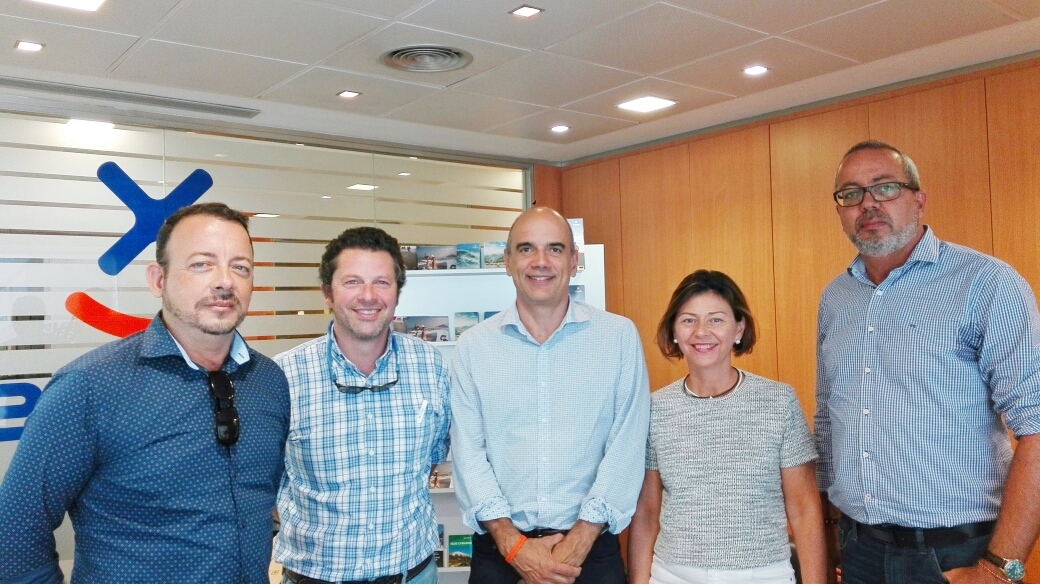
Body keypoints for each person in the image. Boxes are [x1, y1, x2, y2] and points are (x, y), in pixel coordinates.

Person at [0, 202, 290, 583]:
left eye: (241, 267)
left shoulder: (269, 382)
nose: (225, 281)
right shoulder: (90, 387)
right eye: (201, 264)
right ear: (158, 279)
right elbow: (14, 534)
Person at [816, 140, 1040, 584]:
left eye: (885, 187)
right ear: (840, 210)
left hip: (957, 554)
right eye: (851, 193)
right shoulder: (836, 298)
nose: (868, 204)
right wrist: (825, 541)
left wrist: (1001, 570)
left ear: (919, 200)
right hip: (858, 550)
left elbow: (1036, 426)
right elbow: (827, 422)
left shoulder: (986, 283)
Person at [450, 206, 651, 584]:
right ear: (507, 262)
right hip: (500, 555)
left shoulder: (618, 338)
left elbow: (627, 445)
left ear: (574, 261)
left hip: (591, 555)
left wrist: (579, 542)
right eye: (526, 248)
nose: (540, 261)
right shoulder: (473, 347)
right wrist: (514, 546)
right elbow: (468, 453)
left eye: (555, 249)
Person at [274, 226, 449, 584]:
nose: (368, 296)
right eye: (352, 282)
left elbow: (435, 452)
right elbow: (265, 481)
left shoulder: (432, 366)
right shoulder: (285, 375)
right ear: (327, 293)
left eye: (382, 283)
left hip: (412, 574)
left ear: (397, 294)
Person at [628, 270, 826, 584]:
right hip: (672, 575)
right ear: (674, 331)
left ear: (739, 328)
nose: (701, 332)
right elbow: (646, 514)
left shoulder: (778, 401)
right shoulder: (655, 408)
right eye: (689, 320)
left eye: (716, 320)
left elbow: (804, 509)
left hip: (763, 576)